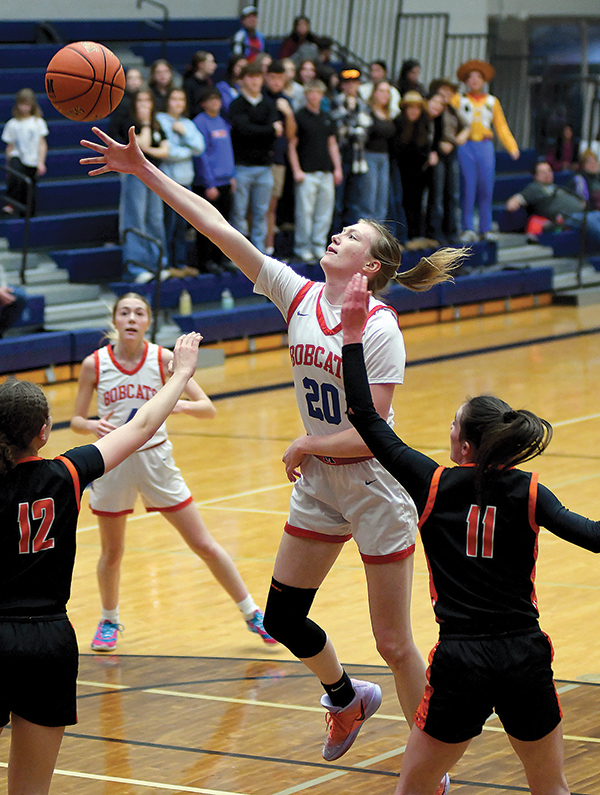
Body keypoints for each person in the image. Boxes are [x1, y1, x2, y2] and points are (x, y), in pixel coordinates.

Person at [79, 125, 465, 784]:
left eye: (351, 235)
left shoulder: (381, 328)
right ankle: (345, 698)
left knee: (394, 642)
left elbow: (375, 430)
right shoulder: (299, 294)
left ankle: (428, 771)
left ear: (369, 267)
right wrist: (142, 170)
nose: (337, 235)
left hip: (373, 484)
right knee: (284, 616)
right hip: (319, 483)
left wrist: (310, 440)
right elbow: (217, 227)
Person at [340, 271, 600, 795]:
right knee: (551, 788)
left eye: (453, 425)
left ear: (464, 447)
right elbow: (594, 536)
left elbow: (366, 416)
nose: (449, 431)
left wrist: (351, 334)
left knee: (414, 789)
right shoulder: (531, 492)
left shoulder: (433, 483)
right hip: (524, 655)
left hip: (461, 660)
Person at [0, 331, 202, 795]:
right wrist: (182, 374)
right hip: (47, 640)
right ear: (44, 432)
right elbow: (142, 426)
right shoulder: (66, 473)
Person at [70, 292, 276, 653]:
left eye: (138, 313)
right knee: (111, 552)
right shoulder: (94, 364)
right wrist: (89, 425)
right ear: (115, 320)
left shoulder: (163, 359)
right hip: (113, 462)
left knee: (203, 543)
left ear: (148, 322)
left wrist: (176, 404)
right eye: (124, 312)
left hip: (156, 461)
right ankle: (109, 619)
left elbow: (207, 408)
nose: (131, 318)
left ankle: (252, 612)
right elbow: (74, 419)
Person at [452, 59, 520, 242]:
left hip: (485, 146)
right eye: (470, 77)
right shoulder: (458, 100)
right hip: (466, 146)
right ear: (466, 81)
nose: (474, 80)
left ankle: (486, 228)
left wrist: (511, 146)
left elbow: (501, 126)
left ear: (483, 81)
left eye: (478, 77)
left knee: (486, 187)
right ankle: (467, 228)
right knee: (467, 187)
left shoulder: (492, 101)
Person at [228, 62, 282, 253]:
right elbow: (243, 131)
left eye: (258, 77)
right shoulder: (236, 105)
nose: (255, 81)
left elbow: (277, 132)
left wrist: (261, 131)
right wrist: (268, 130)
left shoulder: (268, 104)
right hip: (242, 166)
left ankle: (258, 254)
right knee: (239, 212)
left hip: (264, 166)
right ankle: (238, 253)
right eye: (250, 77)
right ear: (242, 80)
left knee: (261, 212)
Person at [118, 88, 170, 284]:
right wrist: (146, 124)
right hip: (135, 175)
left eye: (148, 101)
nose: (144, 105)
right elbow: (142, 146)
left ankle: (158, 264)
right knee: (136, 219)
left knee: (155, 219)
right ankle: (136, 267)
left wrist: (152, 146)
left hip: (154, 174)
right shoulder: (130, 124)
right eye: (140, 101)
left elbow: (165, 150)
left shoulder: (158, 124)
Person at [288, 79, 342, 262]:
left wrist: (337, 168)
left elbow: (332, 144)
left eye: (318, 92)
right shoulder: (299, 116)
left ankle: (318, 245)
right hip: (307, 172)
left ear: (322, 95)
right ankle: (302, 246)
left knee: (324, 212)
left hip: (325, 171)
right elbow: (292, 144)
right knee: (305, 212)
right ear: (306, 95)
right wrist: (297, 170)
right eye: (311, 92)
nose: (314, 96)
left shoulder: (326, 117)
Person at [157, 88, 206, 274]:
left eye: (181, 99)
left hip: (186, 182)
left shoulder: (187, 124)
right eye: (174, 99)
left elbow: (199, 147)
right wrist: (187, 152)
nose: (178, 103)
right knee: (168, 225)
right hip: (168, 183)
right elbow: (167, 152)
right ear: (167, 101)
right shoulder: (160, 120)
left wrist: (184, 133)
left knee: (182, 226)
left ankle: (180, 263)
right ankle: (167, 264)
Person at [505, 160, 600, 249]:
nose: (547, 174)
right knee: (590, 220)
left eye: (549, 171)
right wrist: (513, 202)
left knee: (596, 215)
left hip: (585, 213)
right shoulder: (534, 188)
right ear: (536, 176)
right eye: (543, 172)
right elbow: (515, 201)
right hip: (568, 218)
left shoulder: (556, 187)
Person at [192, 88, 237, 275]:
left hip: (225, 180)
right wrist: (209, 183)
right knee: (207, 225)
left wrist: (232, 175)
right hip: (209, 183)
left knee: (224, 224)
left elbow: (228, 150)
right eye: (211, 100)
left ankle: (222, 258)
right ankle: (206, 261)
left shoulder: (222, 121)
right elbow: (201, 155)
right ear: (203, 103)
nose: (215, 103)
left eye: (217, 99)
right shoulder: (199, 122)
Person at [330, 66, 372, 232]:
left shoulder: (363, 104)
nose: (351, 86)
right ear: (342, 85)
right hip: (340, 157)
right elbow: (339, 131)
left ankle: (350, 237)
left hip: (357, 159)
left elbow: (365, 132)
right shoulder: (336, 102)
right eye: (348, 83)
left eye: (355, 83)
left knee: (353, 203)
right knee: (337, 203)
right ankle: (334, 235)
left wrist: (351, 128)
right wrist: (354, 127)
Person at [263, 60, 297, 256]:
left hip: (278, 160)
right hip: (258, 160)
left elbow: (291, 135)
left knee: (272, 207)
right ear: (266, 77)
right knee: (254, 208)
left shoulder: (286, 100)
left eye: (279, 78)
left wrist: (288, 114)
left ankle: (269, 248)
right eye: (272, 77)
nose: (276, 82)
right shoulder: (260, 97)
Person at [390, 91, 431, 242]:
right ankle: (403, 235)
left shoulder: (424, 126)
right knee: (401, 202)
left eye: (417, 108)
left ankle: (416, 234)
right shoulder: (397, 124)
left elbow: (426, 148)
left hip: (419, 172)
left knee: (417, 203)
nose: (414, 111)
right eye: (410, 107)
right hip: (400, 170)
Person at [1, 88, 48, 217]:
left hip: (32, 160)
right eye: (22, 104)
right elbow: (10, 147)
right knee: (17, 177)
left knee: (29, 190)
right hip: (18, 156)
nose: (24, 108)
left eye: (27, 105)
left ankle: (26, 213)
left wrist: (41, 162)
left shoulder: (38, 122)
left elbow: (42, 144)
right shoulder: (13, 124)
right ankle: (10, 204)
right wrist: (8, 165)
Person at [363, 80, 397, 224]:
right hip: (370, 155)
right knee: (369, 198)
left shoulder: (389, 114)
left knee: (382, 200)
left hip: (384, 157)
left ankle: (377, 233)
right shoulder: (368, 112)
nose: (385, 95)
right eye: (381, 91)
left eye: (387, 92)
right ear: (374, 93)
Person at [108, 67, 144, 144]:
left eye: (136, 78)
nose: (134, 81)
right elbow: (114, 130)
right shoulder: (121, 103)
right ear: (126, 81)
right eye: (131, 78)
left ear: (141, 81)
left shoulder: (149, 99)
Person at [183, 50, 217, 119]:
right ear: (201, 64)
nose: (214, 65)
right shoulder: (189, 84)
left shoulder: (209, 82)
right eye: (211, 62)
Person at [215, 55, 247, 122]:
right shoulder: (222, 86)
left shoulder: (249, 86)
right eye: (240, 67)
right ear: (232, 67)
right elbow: (228, 107)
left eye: (245, 67)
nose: (242, 70)